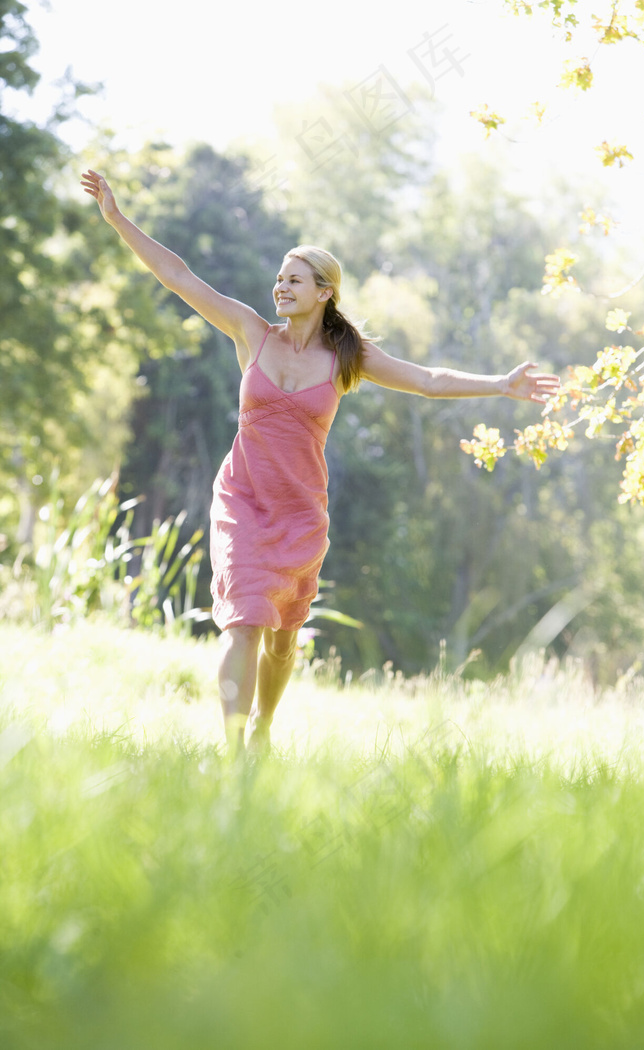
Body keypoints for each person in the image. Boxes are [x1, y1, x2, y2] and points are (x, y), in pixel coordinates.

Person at [81, 169, 560, 758]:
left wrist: (501, 384)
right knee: (245, 619)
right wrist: (117, 219)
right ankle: (232, 756)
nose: (281, 287)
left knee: (282, 639)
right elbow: (179, 277)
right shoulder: (251, 334)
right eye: (279, 278)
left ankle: (263, 727)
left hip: (300, 510)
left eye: (295, 280)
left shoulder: (347, 356)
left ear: (324, 291)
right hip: (242, 497)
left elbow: (428, 381)